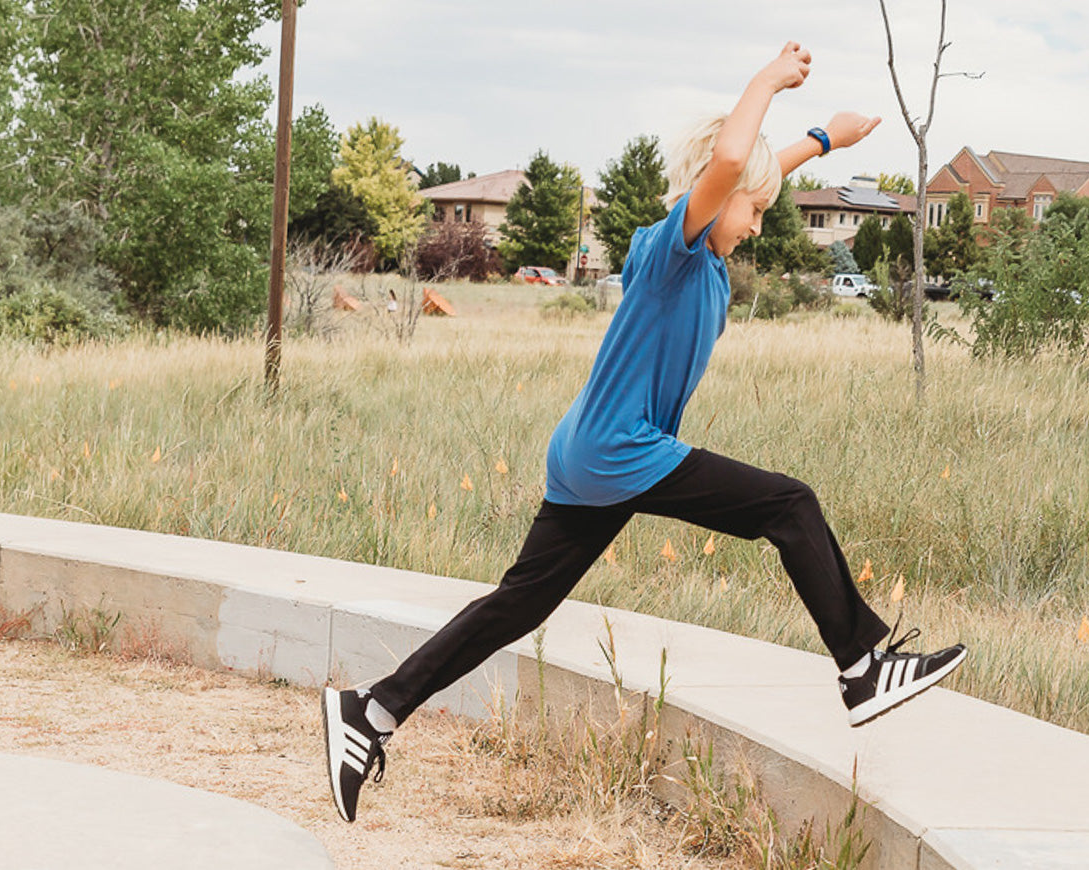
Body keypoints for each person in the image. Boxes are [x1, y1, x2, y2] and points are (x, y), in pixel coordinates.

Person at [323, 42, 966, 824]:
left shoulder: (702, 255)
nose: (758, 226)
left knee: (517, 605)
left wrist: (826, 139)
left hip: (590, 451)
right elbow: (731, 163)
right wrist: (766, 81)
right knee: (789, 505)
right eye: (754, 210)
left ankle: (372, 709)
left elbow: (753, 172)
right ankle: (862, 664)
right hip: (620, 448)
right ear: (711, 194)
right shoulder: (673, 253)